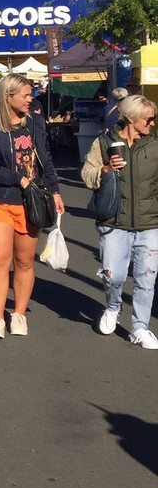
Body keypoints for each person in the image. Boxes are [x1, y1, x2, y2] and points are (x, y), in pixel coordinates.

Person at [0, 74, 65, 340]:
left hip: (32, 201)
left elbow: (45, 160)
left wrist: (56, 190)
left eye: (30, 94)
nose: (30, 99)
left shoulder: (36, 123)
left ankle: (20, 314)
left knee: (24, 261)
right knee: (0, 260)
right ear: (8, 96)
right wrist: (19, 179)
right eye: (25, 95)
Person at [81, 94, 158, 349]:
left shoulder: (155, 144)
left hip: (150, 222)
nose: (153, 123)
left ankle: (140, 327)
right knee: (113, 276)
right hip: (114, 221)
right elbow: (87, 173)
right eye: (149, 118)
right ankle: (113, 307)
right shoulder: (104, 142)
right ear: (131, 118)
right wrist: (105, 171)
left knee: (146, 279)